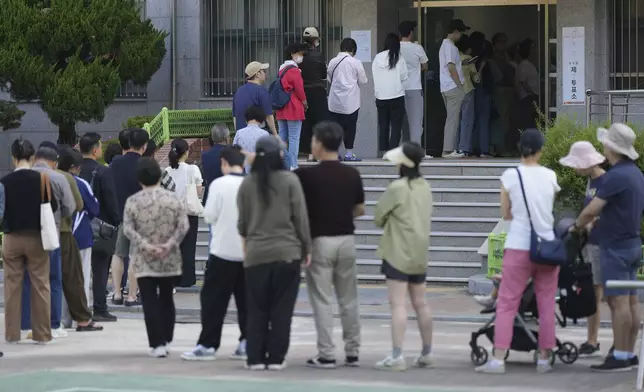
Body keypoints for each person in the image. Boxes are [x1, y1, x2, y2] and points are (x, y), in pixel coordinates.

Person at [476, 129, 561, 374]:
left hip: (519, 246)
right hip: (547, 247)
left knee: (507, 303)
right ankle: (544, 359)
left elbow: (506, 213)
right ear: (541, 150)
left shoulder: (510, 175)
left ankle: (498, 359)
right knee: (546, 304)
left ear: (520, 148)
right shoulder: (550, 175)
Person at [237, 135, 312, 370]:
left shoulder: (248, 184)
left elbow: (242, 224)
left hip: (256, 254)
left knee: (257, 309)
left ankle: (255, 358)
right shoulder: (290, 181)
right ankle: (276, 357)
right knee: (281, 309)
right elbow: (301, 218)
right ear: (278, 156)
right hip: (287, 253)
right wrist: (306, 248)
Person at [573, 123, 644, 372]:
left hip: (615, 247)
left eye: (605, 143)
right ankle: (629, 353)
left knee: (618, 303)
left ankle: (621, 356)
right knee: (632, 302)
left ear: (612, 148)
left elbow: (592, 210)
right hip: (634, 244)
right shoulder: (636, 174)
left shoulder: (615, 176)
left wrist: (578, 225)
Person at [294, 122, 365, 368]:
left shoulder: (305, 175)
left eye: (314, 139)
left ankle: (326, 353)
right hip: (347, 241)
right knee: (349, 298)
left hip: (319, 242)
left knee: (322, 299)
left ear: (320, 144)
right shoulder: (352, 174)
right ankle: (353, 351)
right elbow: (360, 209)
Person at [181, 146, 248, 362]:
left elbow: (208, 216)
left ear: (225, 163)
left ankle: (208, 344)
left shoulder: (219, 184)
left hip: (223, 252)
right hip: (249, 253)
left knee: (213, 300)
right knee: (247, 300)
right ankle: (247, 342)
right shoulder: (253, 185)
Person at [373, 142, 434, 371]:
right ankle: (427, 352)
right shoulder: (425, 187)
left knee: (398, 304)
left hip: (397, 252)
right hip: (420, 252)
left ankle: (397, 355)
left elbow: (378, 217)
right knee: (421, 303)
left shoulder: (397, 188)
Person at [123, 157, 189, 358]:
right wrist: (169, 244)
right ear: (160, 176)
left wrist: (145, 245)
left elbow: (128, 229)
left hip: (145, 258)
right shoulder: (173, 199)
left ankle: (156, 343)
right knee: (167, 298)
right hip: (169, 257)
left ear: (139, 179)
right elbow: (184, 225)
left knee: (149, 300)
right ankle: (167, 338)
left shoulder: (133, 201)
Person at [558, 141, 607, 357]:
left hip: (600, 243)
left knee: (595, 293)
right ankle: (591, 338)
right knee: (592, 291)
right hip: (590, 243)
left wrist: (588, 223)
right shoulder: (591, 180)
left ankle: (593, 339)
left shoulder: (604, 181)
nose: (576, 169)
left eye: (578, 164)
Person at [23, 144, 77, 339]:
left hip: (26, 234)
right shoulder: (58, 178)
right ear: (54, 162)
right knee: (54, 279)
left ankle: (26, 324)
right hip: (50, 234)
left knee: (28, 279)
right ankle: (54, 323)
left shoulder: (23, 176)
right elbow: (70, 207)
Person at [2, 139, 52, 344]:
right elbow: (53, 206)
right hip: (37, 237)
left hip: (11, 238)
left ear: (13, 158)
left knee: (12, 286)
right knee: (41, 284)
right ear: (32, 158)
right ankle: (42, 334)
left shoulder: (4, 181)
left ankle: (12, 334)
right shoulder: (42, 179)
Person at [56, 146, 103, 333]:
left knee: (58, 277)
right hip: (81, 236)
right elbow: (94, 209)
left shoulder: (51, 179)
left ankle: (62, 318)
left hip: (56, 235)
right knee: (81, 278)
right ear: (75, 166)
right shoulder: (81, 183)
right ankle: (81, 318)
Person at [78, 132, 120, 322]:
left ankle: (79, 307)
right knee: (100, 269)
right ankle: (100, 308)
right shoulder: (103, 171)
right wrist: (115, 221)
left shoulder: (75, 170)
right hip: (101, 227)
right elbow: (110, 201)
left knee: (78, 269)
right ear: (95, 150)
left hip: (77, 226)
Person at [110, 128, 149, 306]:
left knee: (119, 254)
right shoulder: (145, 164)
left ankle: (117, 294)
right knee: (135, 256)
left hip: (120, 214)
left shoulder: (116, 162)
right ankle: (132, 296)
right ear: (144, 146)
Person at [165, 138, 203, 288]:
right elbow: (199, 190)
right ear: (186, 152)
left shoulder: (167, 171)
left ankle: (174, 277)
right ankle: (187, 279)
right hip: (188, 212)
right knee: (189, 246)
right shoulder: (192, 169)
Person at [327, 37, 368, 162]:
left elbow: (329, 78)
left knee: (335, 128)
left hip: (334, 102)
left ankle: (334, 153)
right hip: (351, 102)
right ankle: (349, 154)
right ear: (353, 49)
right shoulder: (356, 62)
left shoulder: (333, 61)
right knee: (350, 128)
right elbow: (363, 80)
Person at [373, 33, 408, 156]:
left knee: (383, 125)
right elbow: (404, 76)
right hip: (396, 95)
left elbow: (374, 75)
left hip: (381, 97)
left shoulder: (377, 57)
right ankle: (392, 151)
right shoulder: (399, 58)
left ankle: (383, 151)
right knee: (396, 125)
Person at [276, 42, 309, 170]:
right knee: (294, 138)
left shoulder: (281, 69)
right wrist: (305, 102)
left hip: (281, 107)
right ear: (292, 54)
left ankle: (284, 163)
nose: (301, 56)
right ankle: (293, 164)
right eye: (299, 54)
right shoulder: (294, 70)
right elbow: (299, 89)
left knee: (282, 137)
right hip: (293, 107)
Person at [399, 21, 430, 154]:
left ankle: (401, 150)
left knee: (400, 122)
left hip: (398, 89)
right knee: (416, 122)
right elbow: (425, 66)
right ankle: (416, 152)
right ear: (411, 33)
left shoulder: (395, 48)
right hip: (414, 88)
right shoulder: (417, 48)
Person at [439, 19, 469, 158]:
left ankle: (449, 149)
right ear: (455, 31)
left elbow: (451, 65)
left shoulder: (444, 45)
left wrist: (461, 62)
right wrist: (460, 86)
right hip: (452, 87)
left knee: (451, 118)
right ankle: (448, 150)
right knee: (453, 119)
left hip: (445, 87)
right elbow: (451, 68)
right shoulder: (451, 47)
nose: (462, 36)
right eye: (461, 32)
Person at [300, 27, 329, 162]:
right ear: (315, 40)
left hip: (303, 92)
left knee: (306, 123)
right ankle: (319, 152)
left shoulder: (299, 56)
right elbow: (323, 74)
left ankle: (309, 153)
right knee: (320, 122)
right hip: (318, 91)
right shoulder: (319, 55)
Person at [233, 61, 277, 136]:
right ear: (257, 74)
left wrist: (238, 133)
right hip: (258, 135)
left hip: (241, 134)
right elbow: (269, 117)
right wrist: (276, 135)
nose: (265, 73)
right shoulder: (262, 91)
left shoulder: (239, 91)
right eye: (264, 71)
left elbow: (235, 117)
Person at [456, 34, 480, 157]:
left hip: (455, 91)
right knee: (467, 120)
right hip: (467, 90)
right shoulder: (468, 58)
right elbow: (476, 78)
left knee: (456, 120)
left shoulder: (454, 57)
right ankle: (464, 148)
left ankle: (454, 147)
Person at [233, 106, 270, 173]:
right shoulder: (265, 134)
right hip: (260, 172)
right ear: (261, 118)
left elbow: (234, 153)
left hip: (242, 171)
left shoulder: (239, 133)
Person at [514, 39, 539, 132]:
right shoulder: (524, 65)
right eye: (532, 48)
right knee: (528, 123)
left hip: (530, 97)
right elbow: (522, 82)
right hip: (527, 98)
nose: (535, 51)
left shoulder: (529, 64)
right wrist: (532, 93)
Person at [201, 124, 230, 205]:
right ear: (226, 137)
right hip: (228, 197)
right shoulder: (232, 153)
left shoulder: (205, 155)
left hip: (210, 197)